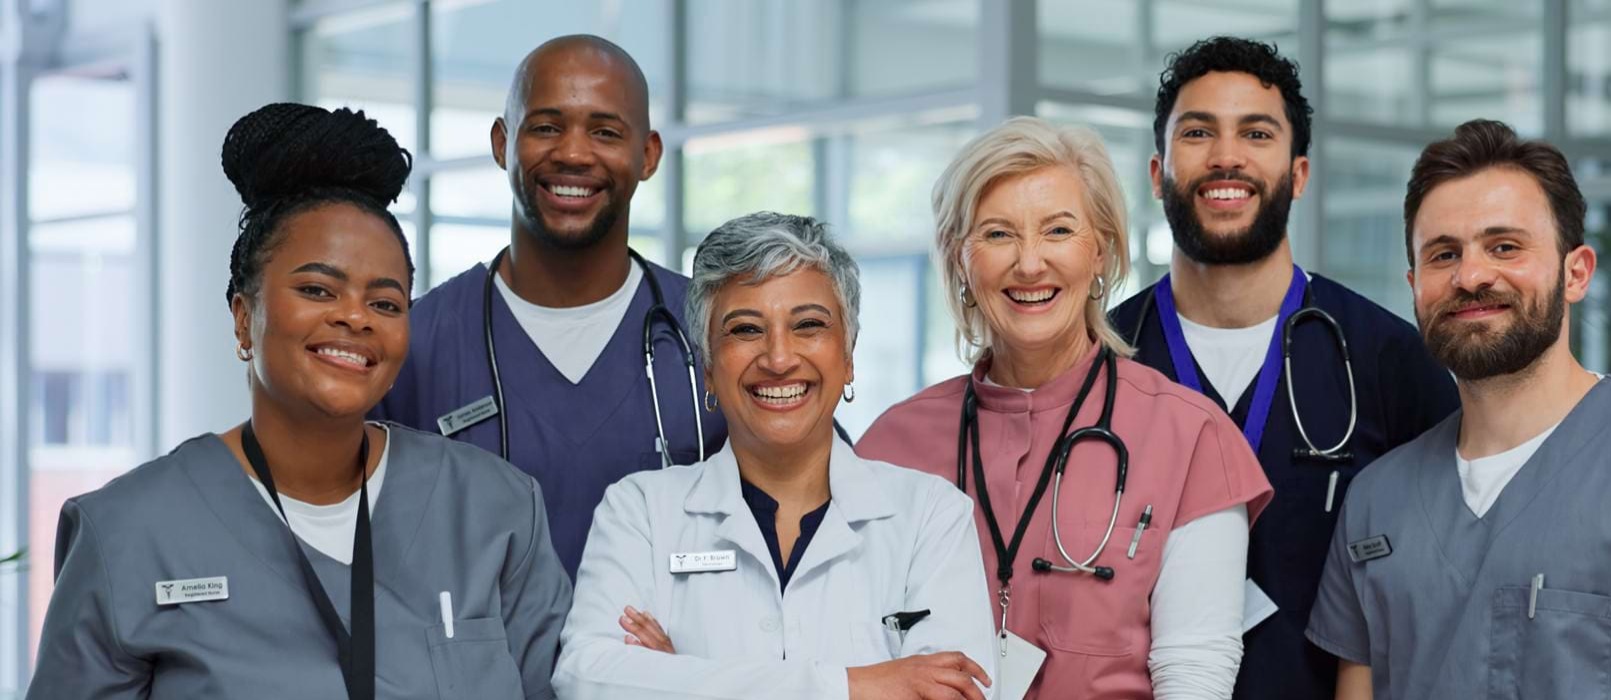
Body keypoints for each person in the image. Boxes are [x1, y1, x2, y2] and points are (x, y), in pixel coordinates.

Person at [26, 103, 571, 700]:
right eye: (317, 289)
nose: (355, 318)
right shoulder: (128, 532)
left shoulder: (496, 510)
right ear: (243, 318)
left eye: (386, 303)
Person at [1307, 119, 1611, 699]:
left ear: (1576, 272)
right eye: (1443, 255)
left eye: (1505, 247)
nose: (1471, 275)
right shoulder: (1377, 500)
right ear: (1414, 284)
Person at [859, 117, 1274, 699]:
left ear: (1101, 250)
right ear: (960, 261)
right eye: (999, 234)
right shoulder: (889, 447)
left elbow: (1194, 677)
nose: (1030, 264)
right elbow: (853, 650)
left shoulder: (1189, 438)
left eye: (1057, 231)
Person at [1105, 36, 1459, 698]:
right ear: (1157, 172)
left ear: (1298, 173)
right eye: (1198, 132)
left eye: (1257, 133)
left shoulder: (1388, 359)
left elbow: (1448, 577)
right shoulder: (1101, 361)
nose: (1227, 156)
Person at [552, 212, 994, 699]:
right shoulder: (640, 512)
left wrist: (682, 679)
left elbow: (959, 693)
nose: (779, 358)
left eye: (808, 325)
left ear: (848, 358)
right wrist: (856, 685)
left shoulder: (930, 516)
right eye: (745, 330)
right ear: (708, 369)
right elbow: (587, 679)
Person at [372, 34, 726, 577]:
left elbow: (806, 501)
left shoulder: (715, 330)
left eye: (605, 131)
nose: (574, 153)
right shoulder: (416, 341)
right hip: (477, 665)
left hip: (672, 661)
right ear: (501, 142)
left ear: (648, 154)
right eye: (546, 127)